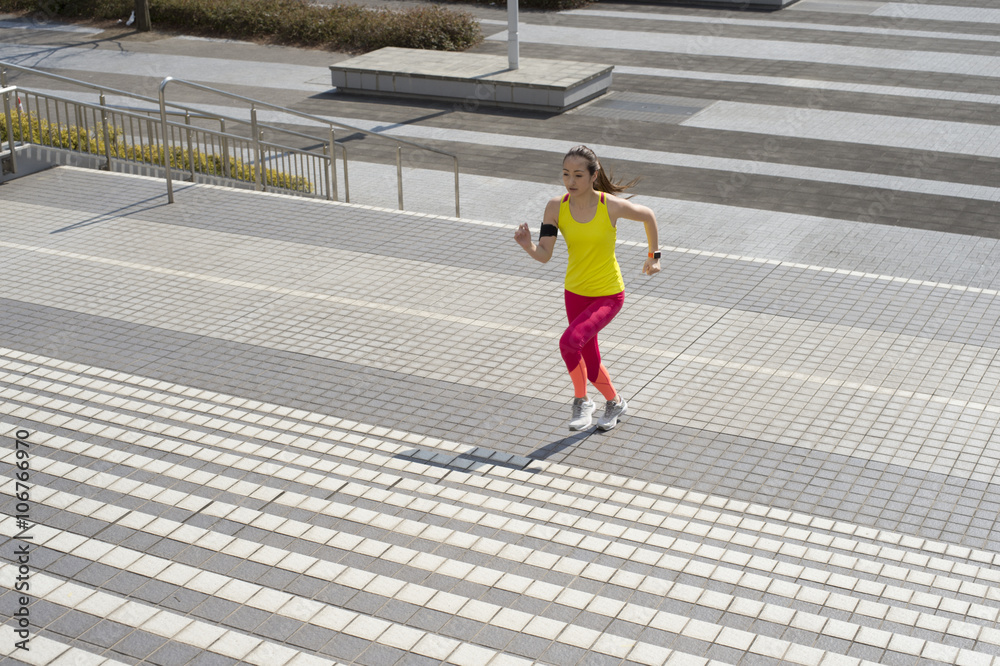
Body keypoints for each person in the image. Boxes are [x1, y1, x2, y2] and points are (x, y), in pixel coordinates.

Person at [515, 145, 660, 431]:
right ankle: (615, 402)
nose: (571, 181)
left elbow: (648, 216)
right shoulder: (555, 207)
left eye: (578, 175)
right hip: (575, 293)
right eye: (566, 174)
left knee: (569, 342)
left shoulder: (610, 206)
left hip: (608, 294)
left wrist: (653, 257)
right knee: (589, 360)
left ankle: (581, 401)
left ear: (594, 176)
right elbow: (544, 254)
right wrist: (527, 245)